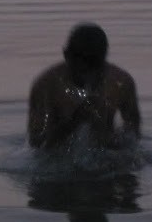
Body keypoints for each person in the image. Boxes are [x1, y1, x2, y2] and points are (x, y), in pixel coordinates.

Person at [27, 22, 141, 150]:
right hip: (58, 155)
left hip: (106, 153)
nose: (88, 76)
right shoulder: (46, 86)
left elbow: (133, 132)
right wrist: (74, 121)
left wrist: (112, 139)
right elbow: (36, 142)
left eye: (95, 68)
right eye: (81, 70)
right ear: (66, 55)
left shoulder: (120, 83)